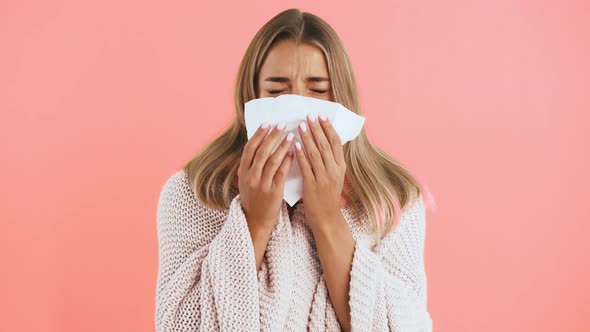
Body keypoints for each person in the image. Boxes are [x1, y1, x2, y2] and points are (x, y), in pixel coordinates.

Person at [155, 8, 433, 332]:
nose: (298, 106)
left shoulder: (392, 201)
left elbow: (404, 326)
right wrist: (253, 221)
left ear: (343, 97)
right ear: (252, 97)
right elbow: (181, 326)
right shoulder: (193, 194)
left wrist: (328, 217)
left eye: (317, 91)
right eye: (276, 92)